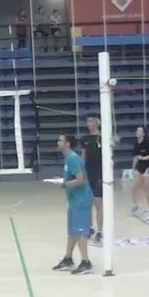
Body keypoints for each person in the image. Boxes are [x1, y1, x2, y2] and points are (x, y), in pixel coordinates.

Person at [53, 135, 95, 275]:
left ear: (67, 144)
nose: (57, 142)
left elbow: (81, 180)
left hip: (81, 200)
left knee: (81, 232)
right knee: (72, 232)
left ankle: (86, 262)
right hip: (73, 200)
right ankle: (68, 258)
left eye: (60, 140)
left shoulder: (72, 158)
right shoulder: (68, 158)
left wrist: (64, 184)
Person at [80, 115, 105, 244]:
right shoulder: (84, 138)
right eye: (87, 121)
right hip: (88, 173)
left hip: (100, 173)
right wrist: (81, 173)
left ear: (97, 122)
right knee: (87, 202)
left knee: (98, 202)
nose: (89, 123)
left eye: (91, 121)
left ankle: (100, 231)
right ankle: (89, 227)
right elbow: (83, 156)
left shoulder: (103, 136)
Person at [130, 126, 149, 218]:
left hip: (148, 167)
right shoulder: (136, 144)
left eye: (140, 130)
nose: (137, 132)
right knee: (134, 188)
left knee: (148, 191)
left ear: (144, 133)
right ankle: (137, 207)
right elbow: (136, 157)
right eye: (137, 130)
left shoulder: (147, 142)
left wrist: (144, 158)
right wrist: (132, 168)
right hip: (140, 168)